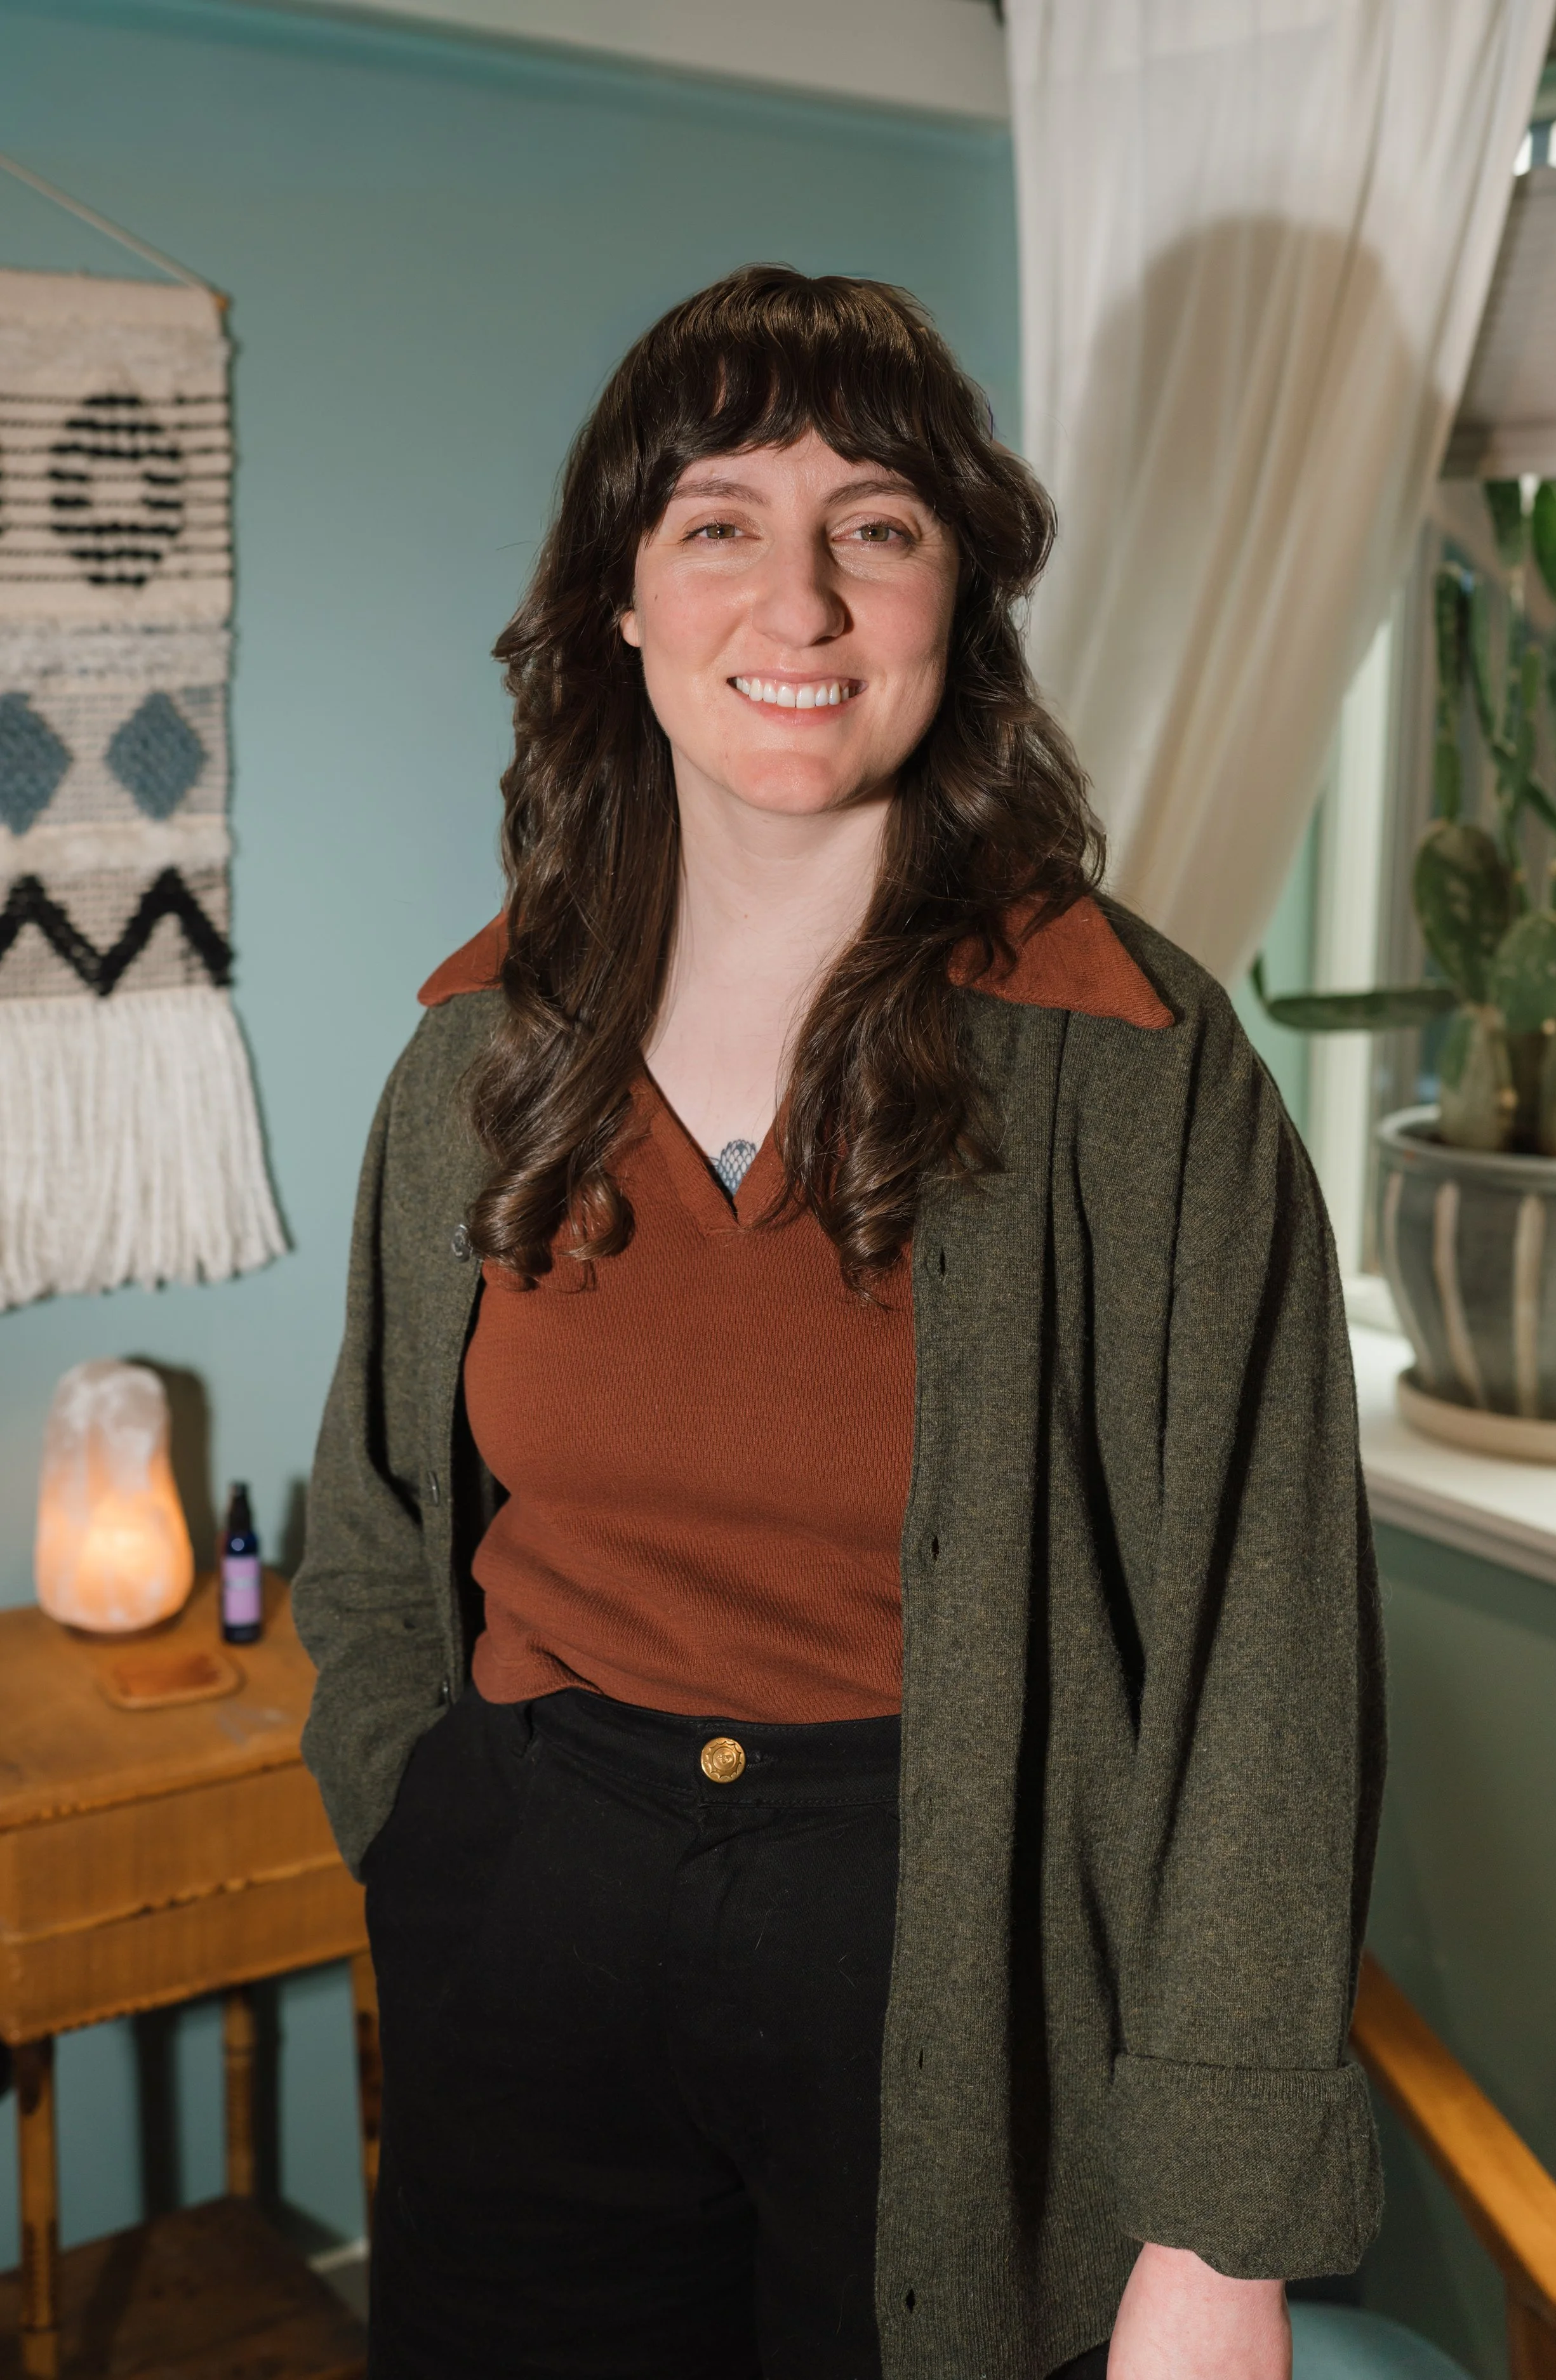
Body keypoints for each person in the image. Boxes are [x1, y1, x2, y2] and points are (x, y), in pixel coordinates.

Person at [295, 265, 1385, 2380]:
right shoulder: (478, 1047)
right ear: (620, 598)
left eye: (872, 527)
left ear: (954, 604)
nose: (794, 606)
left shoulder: (1134, 1066)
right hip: (533, 1909)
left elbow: (1268, 1662)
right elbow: (377, 1510)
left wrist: (1220, 2225)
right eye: (718, 523)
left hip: (949, 1955)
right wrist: (422, 1824)